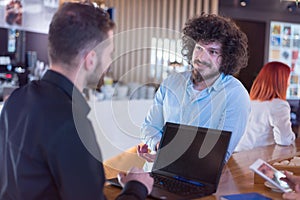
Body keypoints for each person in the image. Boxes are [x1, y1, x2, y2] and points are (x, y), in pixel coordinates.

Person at [0, 2, 153, 200]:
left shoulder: (16, 100)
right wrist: (136, 187)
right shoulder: (71, 124)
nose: (109, 61)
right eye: (109, 53)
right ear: (90, 60)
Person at [138, 13, 250, 163]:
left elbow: (220, 153)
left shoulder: (235, 95)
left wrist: (170, 156)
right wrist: (159, 147)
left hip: (198, 177)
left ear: (226, 57)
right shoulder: (171, 83)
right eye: (199, 48)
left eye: (213, 52)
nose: (202, 57)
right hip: (156, 172)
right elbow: (150, 126)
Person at [235, 61, 295, 152]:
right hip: (258, 160)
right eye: (288, 79)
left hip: (238, 156)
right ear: (281, 81)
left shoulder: (249, 101)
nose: (288, 84)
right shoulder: (278, 105)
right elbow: (284, 140)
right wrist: (292, 136)